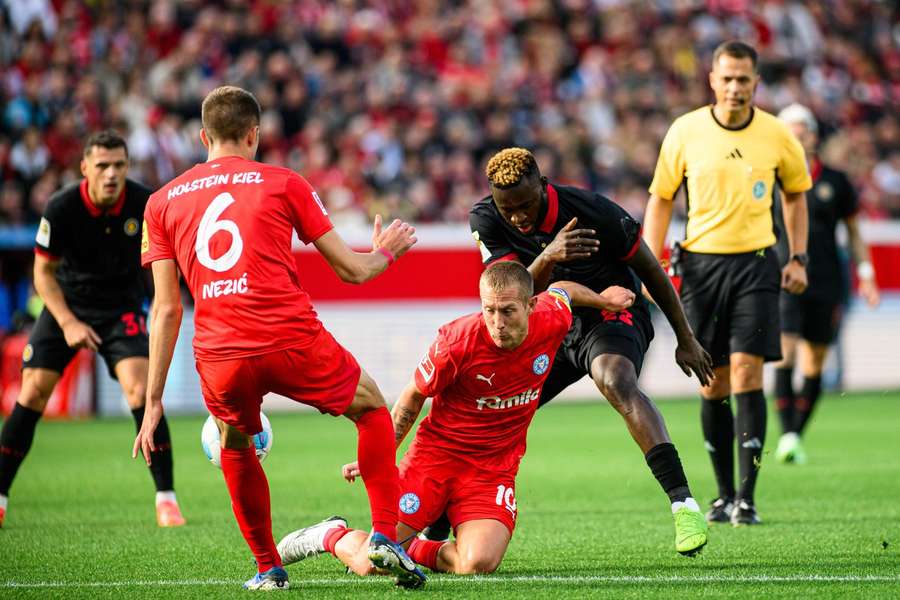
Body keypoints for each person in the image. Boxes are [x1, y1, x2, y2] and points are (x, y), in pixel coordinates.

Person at [134, 85, 425, 591]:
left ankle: (269, 568)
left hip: (220, 353)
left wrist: (153, 398)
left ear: (203, 136)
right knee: (372, 408)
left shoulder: (160, 203)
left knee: (234, 442)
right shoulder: (284, 182)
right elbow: (353, 272)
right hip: (289, 338)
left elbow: (165, 309)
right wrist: (387, 251)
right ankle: (383, 536)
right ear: (254, 134)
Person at [276, 262, 662, 576]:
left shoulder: (552, 318)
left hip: (492, 469)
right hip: (435, 459)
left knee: (476, 564)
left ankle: (411, 549)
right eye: (489, 310)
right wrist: (381, 453)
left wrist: (603, 301)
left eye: (508, 311)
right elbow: (411, 398)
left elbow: (563, 288)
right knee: (368, 563)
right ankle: (330, 534)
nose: (497, 322)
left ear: (530, 306)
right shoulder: (456, 342)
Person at [461, 147, 714, 554]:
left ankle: (683, 504)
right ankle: (433, 523)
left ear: (542, 186)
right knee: (494, 410)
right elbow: (510, 291)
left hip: (611, 312)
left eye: (525, 205)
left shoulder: (595, 212)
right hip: (547, 324)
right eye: (509, 210)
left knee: (614, 379)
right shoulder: (486, 218)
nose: (518, 217)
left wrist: (686, 338)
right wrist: (549, 254)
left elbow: (651, 270)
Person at [643, 41, 811, 526]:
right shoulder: (686, 131)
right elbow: (661, 198)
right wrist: (650, 263)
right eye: (728, 78)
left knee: (747, 375)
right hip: (700, 268)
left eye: (744, 79)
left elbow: (796, 197)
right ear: (712, 80)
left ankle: (748, 497)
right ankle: (722, 495)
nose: (735, 87)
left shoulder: (777, 135)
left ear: (756, 83)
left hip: (757, 264)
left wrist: (797, 257)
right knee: (713, 384)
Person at [0, 131, 184, 529]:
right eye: (102, 166)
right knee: (32, 391)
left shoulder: (144, 204)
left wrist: (161, 304)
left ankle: (166, 499)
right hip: (68, 304)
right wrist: (68, 323)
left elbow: (161, 265)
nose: (111, 174)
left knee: (139, 387)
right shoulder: (61, 207)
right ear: (85, 168)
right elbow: (42, 275)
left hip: (121, 308)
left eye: (119, 165)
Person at [772, 103, 880, 464]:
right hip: (784, 278)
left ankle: (795, 434)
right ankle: (787, 433)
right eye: (789, 129)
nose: (796, 135)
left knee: (815, 361)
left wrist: (866, 275)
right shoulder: (770, 179)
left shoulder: (835, 180)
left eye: (801, 128)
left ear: (813, 135)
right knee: (785, 354)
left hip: (826, 280)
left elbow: (853, 232)